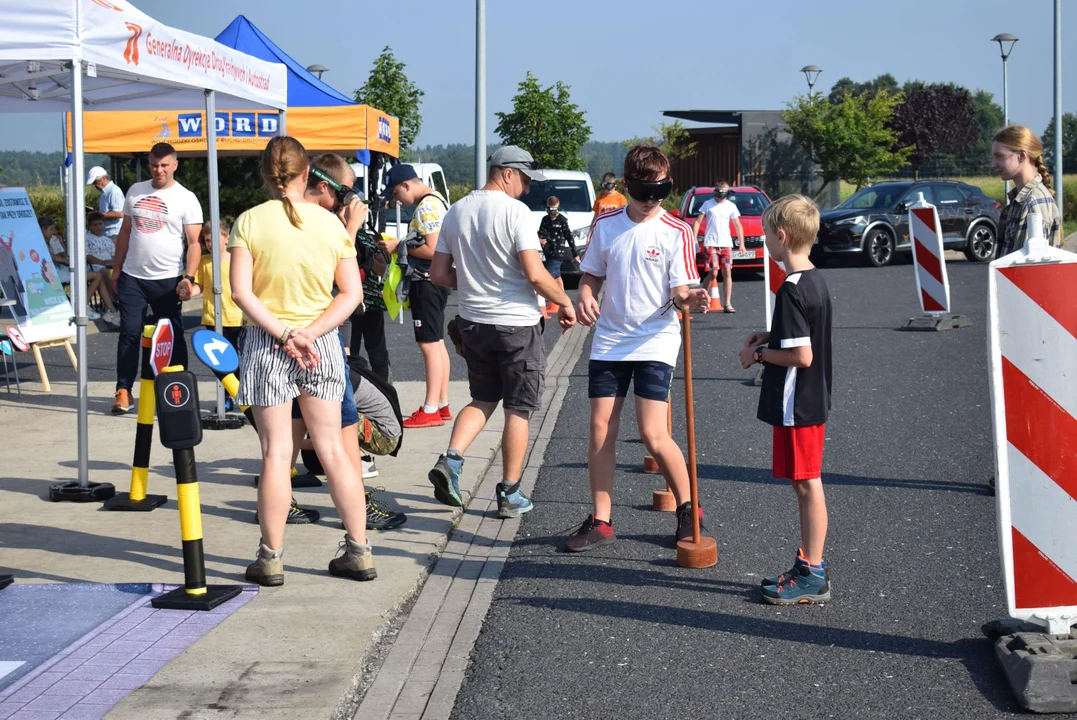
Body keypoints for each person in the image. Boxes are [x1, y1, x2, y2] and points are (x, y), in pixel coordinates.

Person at [229, 135, 375, 587]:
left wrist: (284, 333)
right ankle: (359, 550)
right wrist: (310, 332)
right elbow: (350, 293)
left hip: (268, 343)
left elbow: (240, 292)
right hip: (322, 344)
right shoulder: (331, 225)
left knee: (276, 454)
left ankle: (270, 557)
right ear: (307, 173)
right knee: (333, 450)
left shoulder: (249, 222)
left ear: (264, 175)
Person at [563, 145, 709, 552]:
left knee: (652, 433)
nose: (651, 202)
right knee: (599, 430)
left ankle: (688, 508)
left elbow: (680, 291)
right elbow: (591, 275)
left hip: (656, 339)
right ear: (627, 185)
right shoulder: (606, 225)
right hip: (610, 339)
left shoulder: (675, 231)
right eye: (645, 193)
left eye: (660, 194)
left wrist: (691, 299)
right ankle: (601, 519)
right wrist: (585, 296)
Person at [428, 146, 575, 517]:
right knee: (518, 409)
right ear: (507, 173)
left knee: (482, 398)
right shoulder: (516, 213)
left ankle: (452, 460)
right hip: (515, 325)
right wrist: (567, 303)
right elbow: (535, 274)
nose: (526, 189)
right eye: (525, 180)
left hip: (473, 322)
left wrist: (478, 283)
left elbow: (440, 275)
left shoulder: (456, 211)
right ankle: (509, 493)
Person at [737, 194, 832, 605]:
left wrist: (758, 353)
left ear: (781, 236)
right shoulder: (813, 278)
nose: (764, 245)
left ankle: (814, 572)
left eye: (765, 237)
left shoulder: (791, 288)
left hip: (798, 402)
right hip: (812, 398)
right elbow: (801, 337)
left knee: (808, 484)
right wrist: (769, 335)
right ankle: (810, 565)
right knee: (804, 482)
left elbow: (801, 355)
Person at [109, 142, 202, 415]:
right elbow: (125, 232)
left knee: (170, 334)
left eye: (164, 165)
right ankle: (123, 390)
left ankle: (179, 387)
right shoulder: (136, 191)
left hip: (168, 279)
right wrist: (116, 270)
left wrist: (189, 277)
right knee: (129, 332)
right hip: (133, 276)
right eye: (154, 165)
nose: (158, 170)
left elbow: (194, 242)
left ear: (175, 165)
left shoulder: (186, 197)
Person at [378, 164, 452, 429]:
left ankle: (430, 408)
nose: (397, 199)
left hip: (426, 281)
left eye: (397, 193)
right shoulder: (438, 201)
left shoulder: (426, 207)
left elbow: (433, 250)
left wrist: (397, 246)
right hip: (436, 281)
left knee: (429, 345)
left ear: (407, 185)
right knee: (437, 343)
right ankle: (441, 404)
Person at [991, 124, 1063, 255]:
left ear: (1022, 155)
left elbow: (1024, 269)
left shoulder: (1032, 203)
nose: (993, 165)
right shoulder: (1021, 201)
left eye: (999, 156)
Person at [692, 180, 745, 313]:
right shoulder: (708, 204)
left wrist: (741, 244)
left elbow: (738, 225)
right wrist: (694, 239)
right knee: (713, 273)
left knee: (727, 272)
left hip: (726, 243)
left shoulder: (731, 206)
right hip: (711, 243)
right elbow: (698, 221)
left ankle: (727, 303)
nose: (720, 196)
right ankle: (702, 300)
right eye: (718, 193)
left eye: (723, 193)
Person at [189, 219, 242, 349]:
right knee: (217, 360)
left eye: (214, 239)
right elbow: (200, 285)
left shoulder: (237, 260)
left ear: (226, 238)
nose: (211, 244)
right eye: (207, 240)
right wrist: (188, 292)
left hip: (236, 319)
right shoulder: (204, 261)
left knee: (238, 358)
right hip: (212, 318)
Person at [537, 195, 579, 311]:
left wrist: (575, 253)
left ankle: (546, 299)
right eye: (550, 210)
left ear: (558, 208)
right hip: (548, 251)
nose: (552, 213)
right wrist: (542, 239)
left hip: (558, 252)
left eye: (554, 210)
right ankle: (563, 299)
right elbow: (541, 232)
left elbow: (569, 237)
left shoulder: (562, 220)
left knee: (547, 276)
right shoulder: (545, 220)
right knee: (557, 276)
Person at [84, 212, 120, 326]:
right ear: (89, 227)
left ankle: (118, 304)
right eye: (95, 225)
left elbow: (114, 256)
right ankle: (113, 305)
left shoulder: (107, 240)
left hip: (109, 265)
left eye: (100, 224)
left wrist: (113, 264)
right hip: (95, 266)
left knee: (120, 273)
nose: (98, 227)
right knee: (105, 273)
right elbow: (88, 256)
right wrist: (102, 262)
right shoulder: (86, 238)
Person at [87, 166, 125, 239]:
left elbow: (120, 213)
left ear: (104, 179)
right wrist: (94, 210)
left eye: (95, 182)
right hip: (108, 233)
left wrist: (99, 215)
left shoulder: (114, 191)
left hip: (115, 233)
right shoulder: (104, 192)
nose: (94, 185)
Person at [38, 217, 70, 290]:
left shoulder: (50, 240)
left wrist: (59, 244)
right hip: (53, 272)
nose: (53, 232)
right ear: (43, 229)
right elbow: (54, 257)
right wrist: (66, 261)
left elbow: (62, 255)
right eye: (51, 229)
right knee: (96, 276)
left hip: (56, 269)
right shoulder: (40, 242)